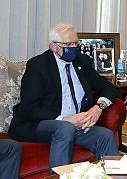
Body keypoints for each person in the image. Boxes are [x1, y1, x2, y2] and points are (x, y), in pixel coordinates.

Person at [8, 23, 119, 171]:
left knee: (105, 136)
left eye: (76, 43)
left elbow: (108, 87)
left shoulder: (82, 61)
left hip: (77, 126)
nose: (73, 47)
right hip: (40, 124)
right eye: (68, 44)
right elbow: (29, 107)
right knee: (65, 129)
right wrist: (65, 120)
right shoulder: (38, 65)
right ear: (53, 46)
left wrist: (98, 108)